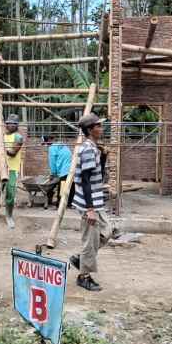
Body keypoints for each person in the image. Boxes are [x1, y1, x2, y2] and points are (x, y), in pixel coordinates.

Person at [68, 113, 112, 292]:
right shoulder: (87, 149)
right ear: (90, 129)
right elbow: (85, 180)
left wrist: (103, 156)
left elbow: (97, 176)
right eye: (98, 126)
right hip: (90, 203)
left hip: (96, 200)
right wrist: (90, 209)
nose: (101, 128)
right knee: (90, 240)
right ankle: (83, 277)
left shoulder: (94, 148)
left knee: (107, 231)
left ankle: (81, 259)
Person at [0, 113, 24, 229]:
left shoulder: (18, 137)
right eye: (8, 123)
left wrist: (2, 148)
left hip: (12, 169)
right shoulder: (0, 135)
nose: (10, 125)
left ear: (17, 125)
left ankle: (9, 215)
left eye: (13, 124)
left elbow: (12, 153)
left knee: (10, 193)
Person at [45, 136, 74, 208]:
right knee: (71, 186)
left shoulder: (52, 148)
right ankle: (70, 203)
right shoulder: (63, 145)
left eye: (46, 143)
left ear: (49, 140)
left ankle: (60, 204)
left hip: (64, 170)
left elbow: (52, 162)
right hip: (72, 168)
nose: (46, 145)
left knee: (62, 187)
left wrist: (53, 173)